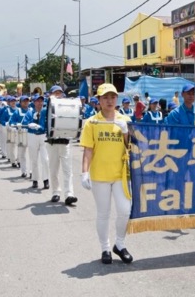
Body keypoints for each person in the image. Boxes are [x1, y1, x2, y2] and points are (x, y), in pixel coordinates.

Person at [80, 83, 133, 265]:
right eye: (105, 98)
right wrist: (84, 172)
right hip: (100, 175)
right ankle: (105, 248)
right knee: (103, 213)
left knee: (125, 210)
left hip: (121, 174)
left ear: (117, 99)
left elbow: (131, 147)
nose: (109, 101)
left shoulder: (125, 119)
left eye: (112, 97)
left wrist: (126, 132)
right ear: (99, 101)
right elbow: (88, 150)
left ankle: (120, 243)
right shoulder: (92, 123)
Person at [45, 85, 78, 206]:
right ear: (50, 95)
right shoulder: (46, 109)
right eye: (55, 93)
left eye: (60, 93)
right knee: (53, 170)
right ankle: (55, 192)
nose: (58, 95)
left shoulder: (68, 108)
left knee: (67, 170)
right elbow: (44, 124)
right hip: (52, 143)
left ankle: (69, 194)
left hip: (65, 142)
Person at [25, 94, 50, 189]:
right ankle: (35, 180)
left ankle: (46, 180)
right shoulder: (30, 112)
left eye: (41, 101)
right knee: (34, 159)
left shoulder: (45, 111)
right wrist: (31, 123)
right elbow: (25, 123)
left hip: (43, 136)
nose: (40, 103)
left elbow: (48, 123)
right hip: (32, 136)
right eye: (38, 101)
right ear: (34, 102)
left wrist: (41, 127)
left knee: (45, 159)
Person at [9, 95, 31, 177]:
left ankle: (31, 171)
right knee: (22, 153)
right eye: (24, 101)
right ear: (20, 102)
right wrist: (16, 124)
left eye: (27, 101)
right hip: (21, 134)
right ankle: (23, 171)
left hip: (31, 134)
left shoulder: (31, 110)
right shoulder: (17, 111)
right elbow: (12, 122)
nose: (26, 102)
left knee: (32, 154)